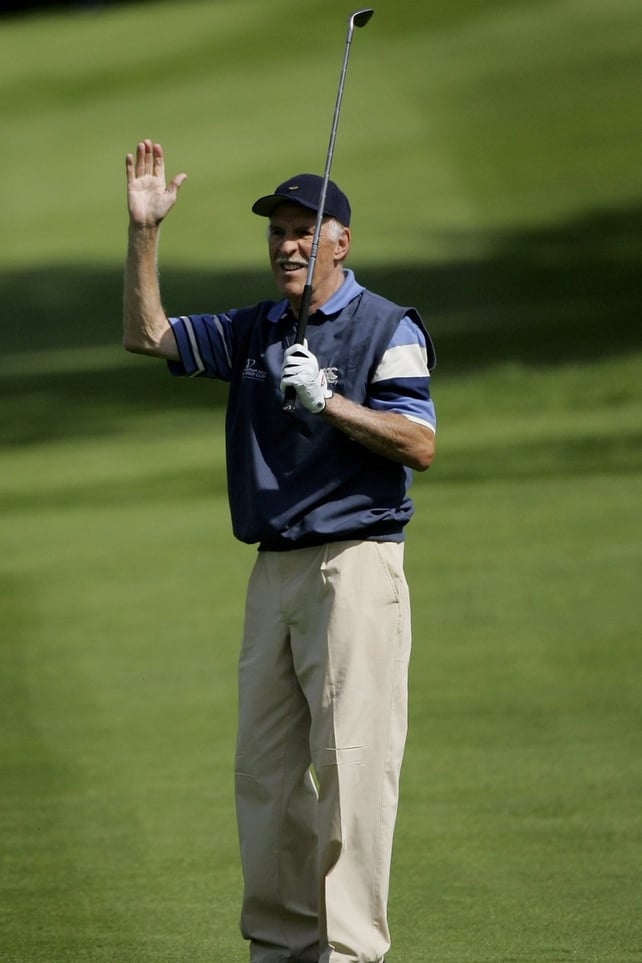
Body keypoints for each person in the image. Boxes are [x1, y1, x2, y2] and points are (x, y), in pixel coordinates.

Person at [122, 138, 437, 963]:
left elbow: (418, 441)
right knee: (264, 778)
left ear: (342, 242)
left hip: (355, 566)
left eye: (306, 230)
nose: (288, 245)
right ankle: (283, 948)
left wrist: (329, 401)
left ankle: (350, 952)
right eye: (277, 232)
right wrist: (145, 233)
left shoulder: (388, 327)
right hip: (274, 573)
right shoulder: (254, 328)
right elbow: (147, 334)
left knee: (351, 772)